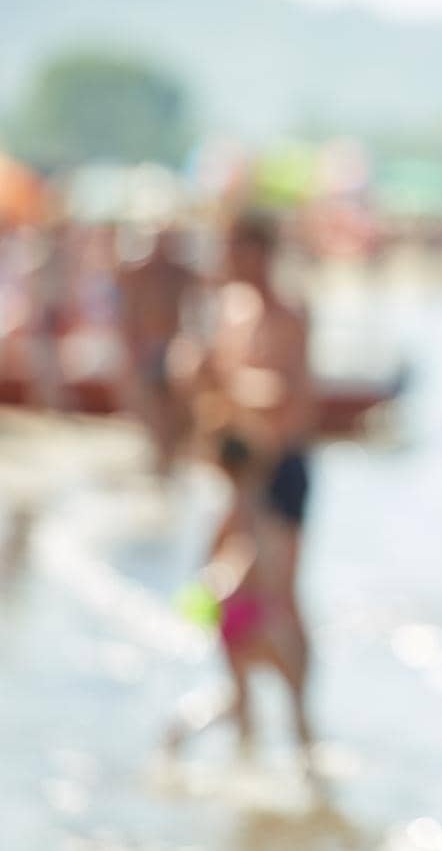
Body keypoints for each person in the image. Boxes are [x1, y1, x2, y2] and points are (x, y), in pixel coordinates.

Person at [171, 211, 317, 754]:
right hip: (238, 473)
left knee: (277, 597)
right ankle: (245, 713)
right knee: (224, 590)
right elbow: (211, 397)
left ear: (260, 251)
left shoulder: (288, 313)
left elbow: (289, 395)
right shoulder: (231, 312)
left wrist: (222, 380)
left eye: (235, 248)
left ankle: (300, 725)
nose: (227, 260)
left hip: (279, 470)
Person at [115, 226, 197, 487]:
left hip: (172, 345)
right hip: (149, 346)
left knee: (170, 405)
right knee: (150, 403)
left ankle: (169, 456)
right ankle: (160, 454)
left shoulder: (179, 273)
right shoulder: (140, 273)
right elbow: (129, 311)